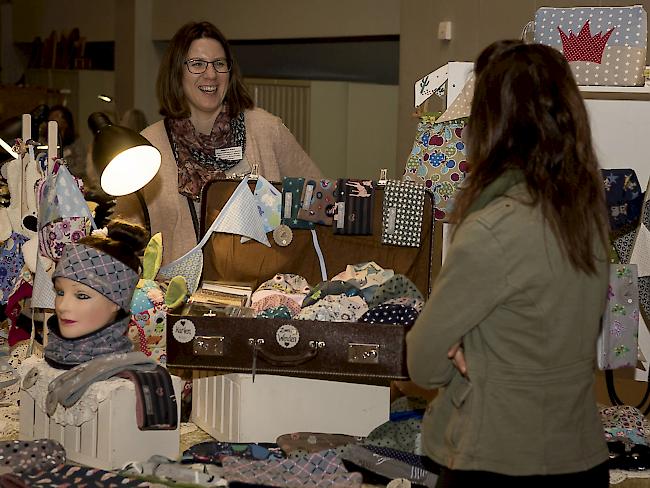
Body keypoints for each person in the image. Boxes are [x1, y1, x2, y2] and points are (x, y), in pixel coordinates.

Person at [406, 40, 610, 487]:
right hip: (580, 457)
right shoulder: (587, 220)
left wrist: (469, 349)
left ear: (491, 125)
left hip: (497, 459)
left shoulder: (491, 230)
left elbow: (423, 362)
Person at [115, 21, 322, 265]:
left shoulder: (267, 129)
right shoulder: (150, 146)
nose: (211, 74)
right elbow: (124, 234)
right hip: (180, 293)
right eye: (197, 64)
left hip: (258, 293)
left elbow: (318, 201)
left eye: (219, 64)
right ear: (176, 72)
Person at [44, 219, 148, 369]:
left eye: (82, 295)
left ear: (117, 302)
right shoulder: (38, 368)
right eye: (60, 292)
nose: (62, 306)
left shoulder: (123, 385)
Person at [47, 105, 88, 182]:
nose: (53, 119)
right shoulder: (45, 141)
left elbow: (81, 166)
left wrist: (64, 173)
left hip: (71, 182)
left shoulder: (76, 142)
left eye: (56, 116)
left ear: (66, 121)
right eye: (51, 117)